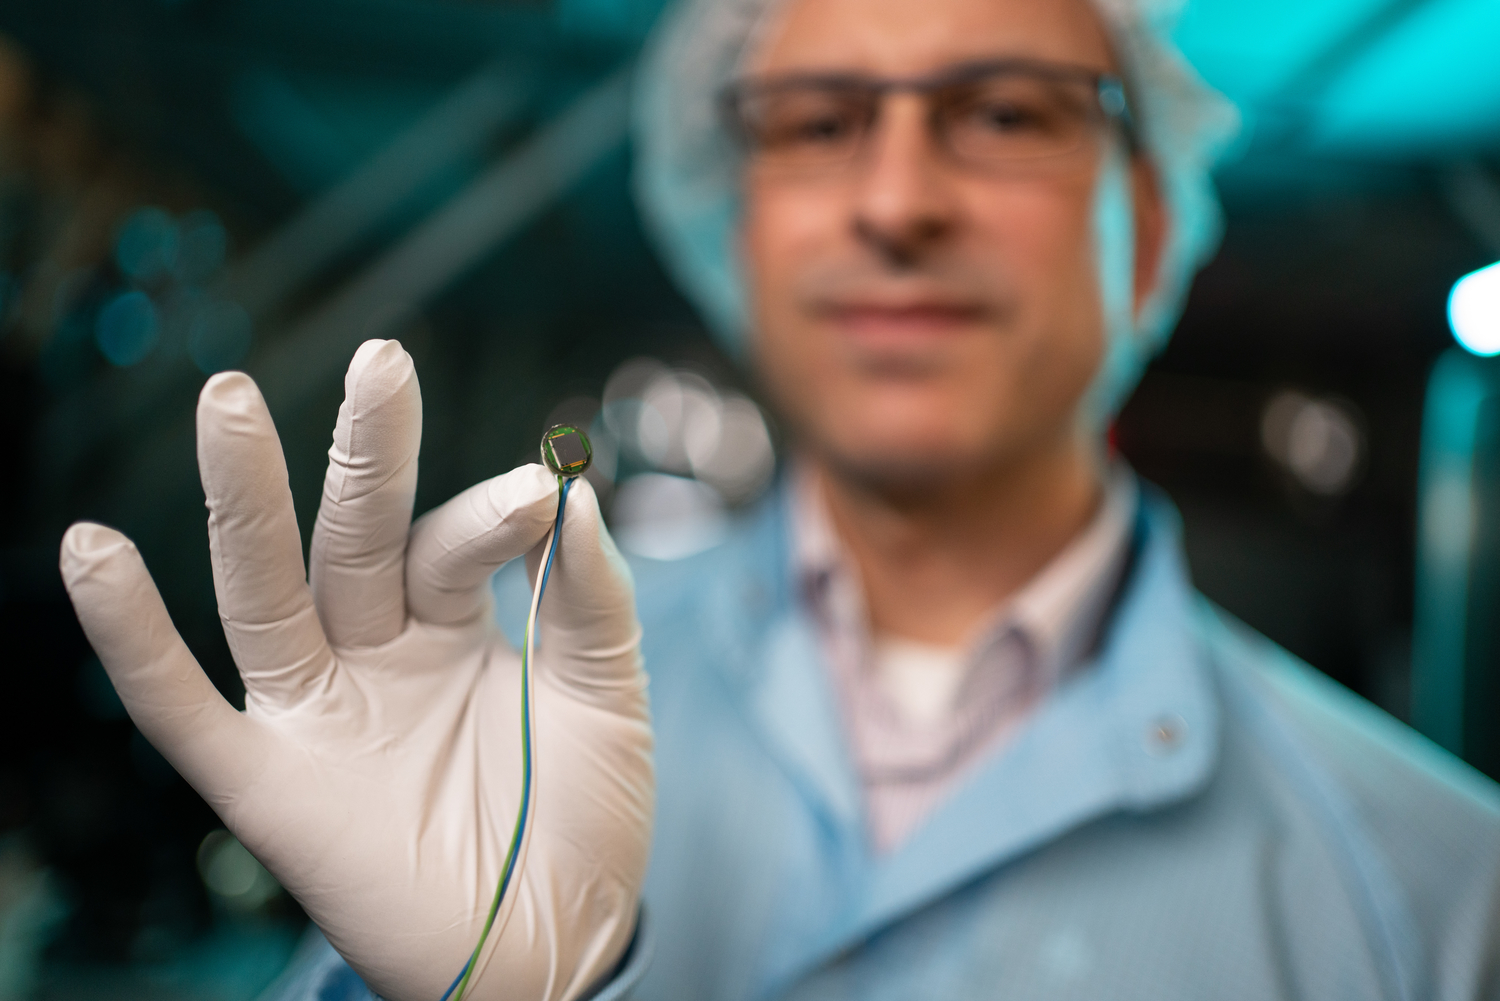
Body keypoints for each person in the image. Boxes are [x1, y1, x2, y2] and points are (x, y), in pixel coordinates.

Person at [58, 0, 1500, 999]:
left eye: (1004, 112)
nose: (896, 199)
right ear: (726, 229)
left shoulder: (1444, 899)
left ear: (1150, 235)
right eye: (816, 123)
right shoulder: (496, 699)